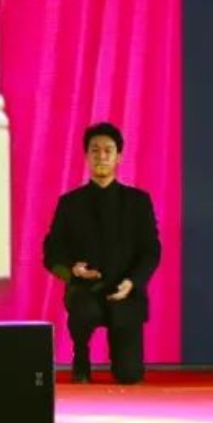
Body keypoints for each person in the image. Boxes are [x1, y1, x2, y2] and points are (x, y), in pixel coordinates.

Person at [43, 123, 160, 385]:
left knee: (129, 375)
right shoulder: (70, 203)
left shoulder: (138, 201)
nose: (101, 156)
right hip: (86, 292)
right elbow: (51, 252)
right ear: (86, 156)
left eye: (108, 150)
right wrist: (72, 271)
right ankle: (81, 355)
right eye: (94, 150)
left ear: (119, 157)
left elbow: (152, 250)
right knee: (82, 308)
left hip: (126, 293)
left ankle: (122, 357)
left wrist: (132, 282)